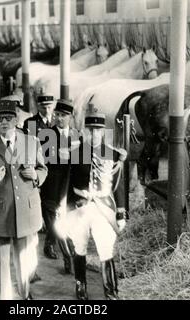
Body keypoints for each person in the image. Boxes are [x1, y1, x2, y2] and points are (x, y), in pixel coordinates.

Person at [0, 99, 47, 300]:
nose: (4, 122)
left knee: (24, 262)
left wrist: (36, 176)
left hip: (26, 212)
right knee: (1, 264)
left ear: (16, 120)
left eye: (8, 118)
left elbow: (43, 170)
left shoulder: (32, 142)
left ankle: (24, 297)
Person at [61, 105, 128, 300]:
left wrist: (121, 213)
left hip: (103, 208)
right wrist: (64, 211)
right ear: (85, 131)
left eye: (98, 130)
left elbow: (118, 186)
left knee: (105, 249)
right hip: (79, 208)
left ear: (103, 131)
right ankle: (80, 287)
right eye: (91, 130)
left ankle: (111, 291)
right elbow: (66, 184)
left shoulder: (112, 153)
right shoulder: (75, 153)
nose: (95, 133)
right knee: (79, 247)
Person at [40, 99, 75, 272]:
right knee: (56, 222)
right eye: (58, 115)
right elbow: (40, 162)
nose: (60, 119)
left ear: (70, 116)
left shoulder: (77, 136)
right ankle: (67, 256)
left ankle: (48, 243)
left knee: (62, 222)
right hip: (50, 187)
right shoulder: (47, 135)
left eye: (63, 115)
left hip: (68, 188)